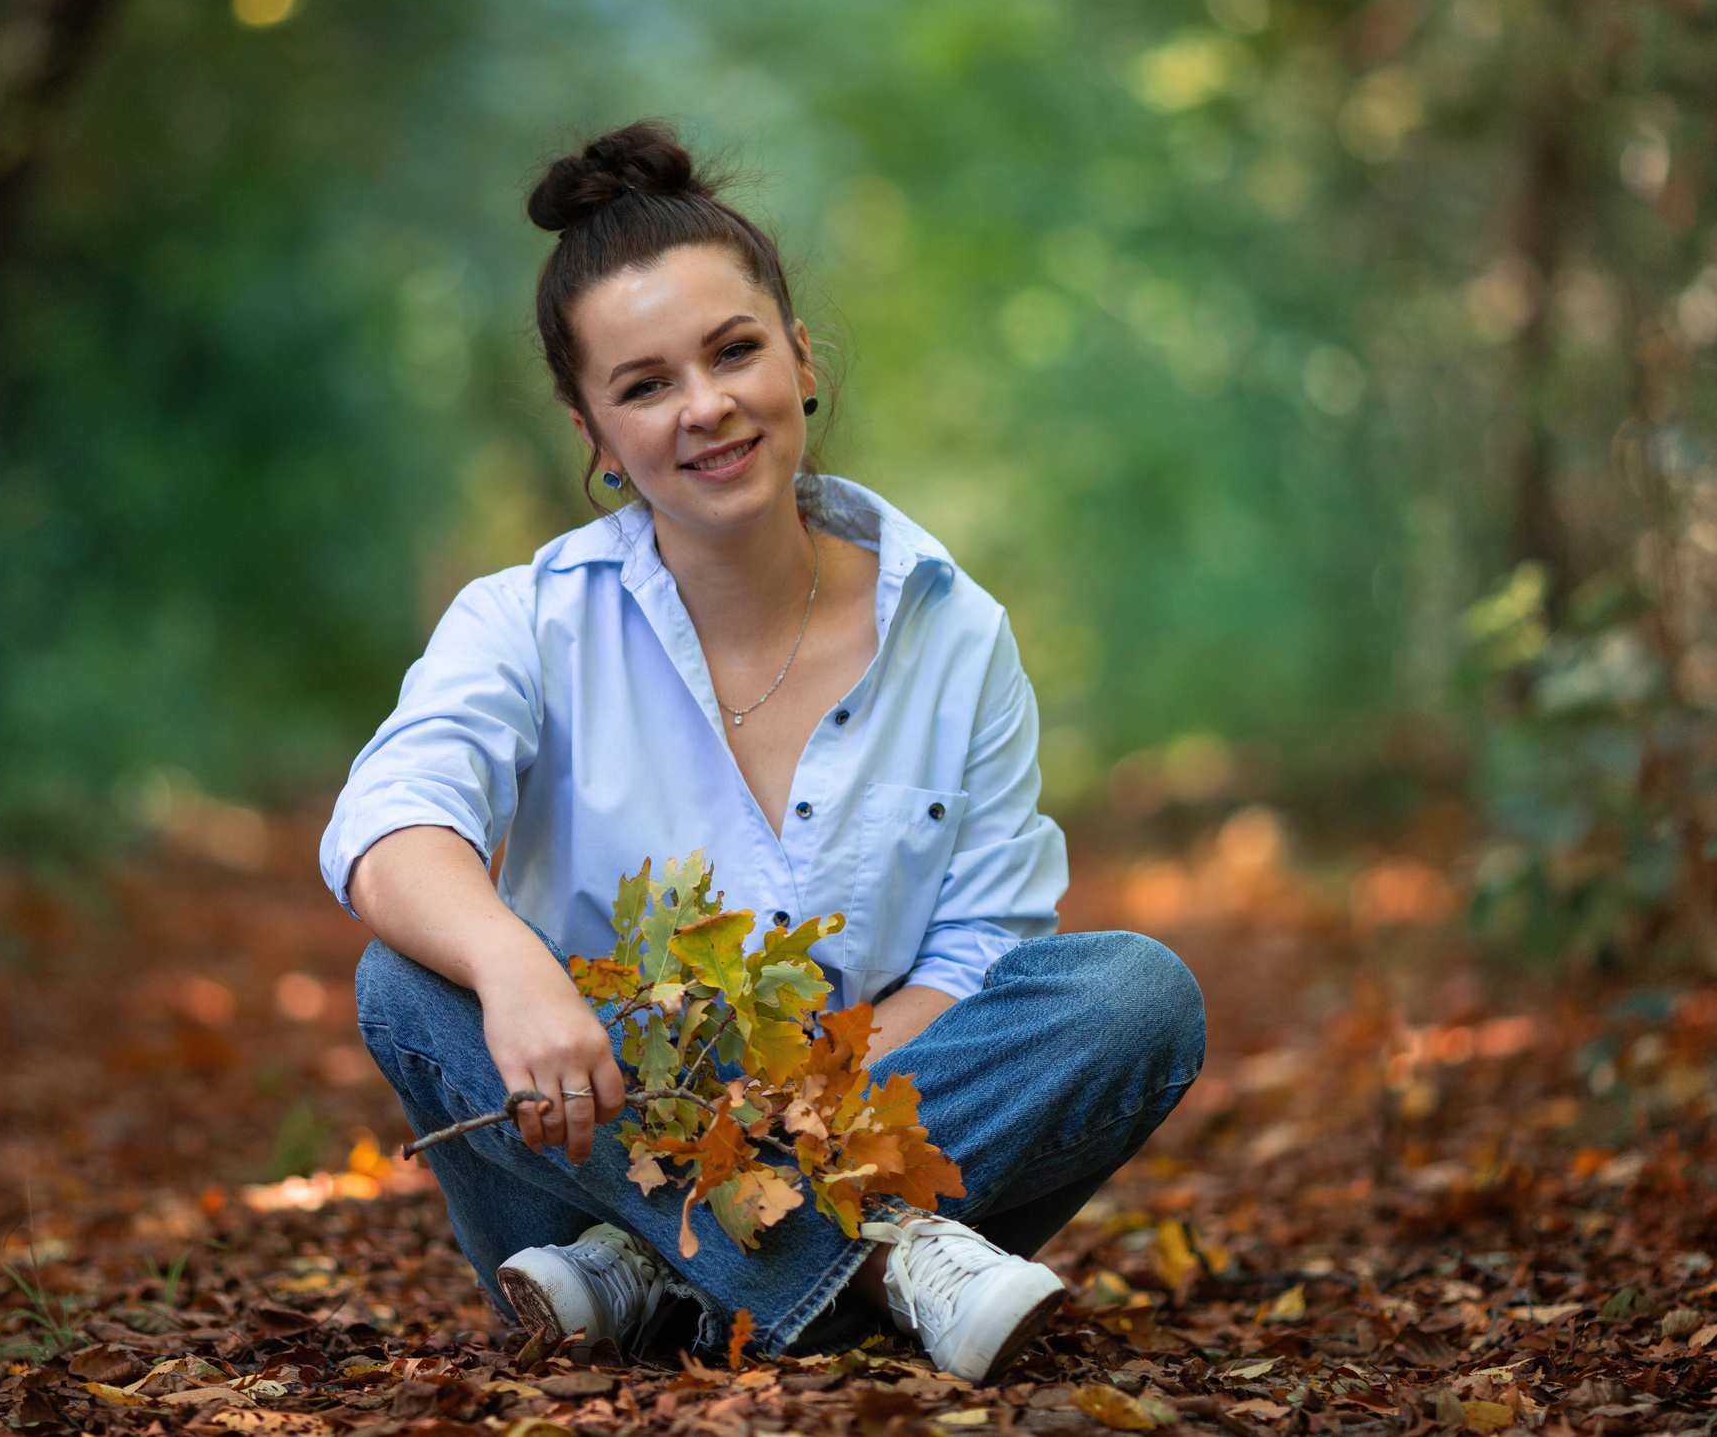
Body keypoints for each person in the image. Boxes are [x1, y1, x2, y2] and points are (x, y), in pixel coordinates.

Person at [320, 123, 1203, 1383]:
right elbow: (388, 818)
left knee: (1131, 997)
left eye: (734, 351)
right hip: (584, 1163)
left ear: (800, 355)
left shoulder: (954, 634)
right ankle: (892, 1265)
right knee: (403, 983)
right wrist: (514, 968)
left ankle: (662, 1283)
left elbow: (982, 950)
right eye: (644, 384)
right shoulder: (526, 617)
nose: (707, 407)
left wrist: (775, 1133)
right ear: (592, 427)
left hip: (828, 1130)